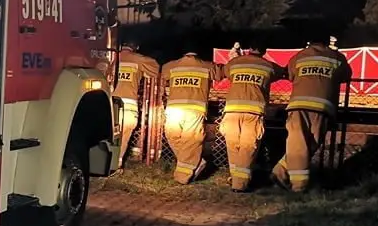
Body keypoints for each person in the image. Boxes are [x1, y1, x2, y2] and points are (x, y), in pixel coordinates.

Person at [272, 38, 352, 192]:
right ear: (327, 41)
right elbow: (346, 75)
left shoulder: (299, 56)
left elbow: (290, 74)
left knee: (298, 145)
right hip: (322, 107)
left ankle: (279, 173)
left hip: (297, 106)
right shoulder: (336, 57)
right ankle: (299, 186)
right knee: (310, 144)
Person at [219, 43, 286, 192]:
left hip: (232, 110)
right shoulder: (269, 66)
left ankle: (235, 178)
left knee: (233, 145)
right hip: (253, 112)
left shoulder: (235, 63)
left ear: (249, 48)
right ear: (264, 50)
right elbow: (282, 72)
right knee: (248, 146)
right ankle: (239, 184)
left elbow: (226, 71)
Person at [160, 51, 225, 184]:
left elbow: (162, 74)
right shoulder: (208, 66)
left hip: (178, 109)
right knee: (189, 142)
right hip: (193, 109)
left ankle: (182, 177)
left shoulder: (171, 65)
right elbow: (220, 74)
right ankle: (196, 162)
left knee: (175, 137)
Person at [112, 42, 160, 172]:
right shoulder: (138, 59)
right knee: (124, 135)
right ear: (136, 47)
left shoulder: (111, 57)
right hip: (128, 105)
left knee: (106, 134)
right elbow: (155, 69)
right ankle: (116, 165)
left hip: (109, 103)